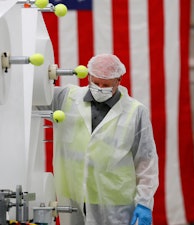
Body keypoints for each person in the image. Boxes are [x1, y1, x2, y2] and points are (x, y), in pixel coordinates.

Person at [48, 53, 159, 225]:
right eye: (96, 82)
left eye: (106, 85)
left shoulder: (135, 111)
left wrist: (144, 203)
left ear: (118, 80)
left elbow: (146, 160)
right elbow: (35, 96)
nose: (100, 88)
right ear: (89, 76)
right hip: (73, 198)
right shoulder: (66, 98)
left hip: (114, 202)